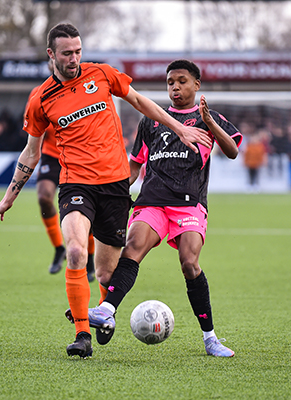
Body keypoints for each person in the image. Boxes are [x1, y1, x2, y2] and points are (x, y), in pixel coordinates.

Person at [0, 25, 212, 358]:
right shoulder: (40, 98)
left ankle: (105, 315)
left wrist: (180, 128)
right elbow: (31, 151)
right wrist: (9, 196)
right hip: (76, 185)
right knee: (77, 251)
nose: (74, 58)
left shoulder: (102, 75)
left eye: (78, 51)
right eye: (67, 53)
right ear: (51, 55)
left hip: (115, 187)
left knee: (107, 273)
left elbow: (139, 101)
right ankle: (82, 335)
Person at [70, 59, 242, 357]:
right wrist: (116, 195)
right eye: (170, 82)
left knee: (189, 262)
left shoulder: (209, 118)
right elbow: (135, 166)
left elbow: (233, 151)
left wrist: (211, 123)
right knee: (133, 246)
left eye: (182, 81)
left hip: (189, 203)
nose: (175, 87)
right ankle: (106, 310)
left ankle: (210, 338)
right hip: (152, 200)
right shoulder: (151, 120)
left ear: (196, 85)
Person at [26, 85, 95, 280]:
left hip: (78, 157)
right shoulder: (38, 93)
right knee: (43, 197)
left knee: (85, 209)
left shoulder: (84, 89)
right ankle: (58, 248)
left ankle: (89, 257)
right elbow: (33, 127)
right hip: (51, 155)